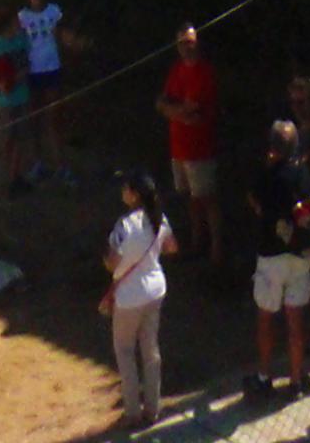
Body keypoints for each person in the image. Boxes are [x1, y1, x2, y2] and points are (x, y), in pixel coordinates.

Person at [246, 119, 310, 396]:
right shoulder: (302, 173)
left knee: (266, 318)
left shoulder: (266, 175)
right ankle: (296, 380)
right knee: (295, 321)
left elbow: (254, 202)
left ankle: (265, 377)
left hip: (271, 254)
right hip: (300, 255)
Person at [100, 172, 172, 428]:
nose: (123, 192)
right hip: (155, 290)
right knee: (150, 350)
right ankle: (153, 409)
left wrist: (106, 259)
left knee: (125, 351)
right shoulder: (158, 219)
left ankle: (132, 412)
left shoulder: (123, 226)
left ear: (134, 195)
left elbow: (112, 263)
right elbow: (171, 246)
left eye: (126, 188)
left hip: (129, 297)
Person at [156, 23, 221, 260]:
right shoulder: (176, 70)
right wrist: (175, 110)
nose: (186, 47)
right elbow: (163, 102)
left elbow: (191, 111)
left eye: (190, 42)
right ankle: (196, 243)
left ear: (197, 43)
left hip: (200, 149)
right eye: (182, 42)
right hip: (179, 148)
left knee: (208, 199)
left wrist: (171, 109)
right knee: (190, 199)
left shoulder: (204, 72)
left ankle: (216, 247)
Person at [18, 0, 71, 171]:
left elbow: (59, 39)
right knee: (35, 118)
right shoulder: (23, 17)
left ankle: (60, 164)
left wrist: (62, 63)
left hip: (52, 69)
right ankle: (39, 162)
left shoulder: (54, 12)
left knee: (54, 119)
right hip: (34, 72)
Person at [0, 2, 37, 189]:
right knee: (9, 138)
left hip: (21, 96)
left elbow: (28, 63)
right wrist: (0, 83)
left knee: (20, 138)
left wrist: (20, 75)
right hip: (6, 100)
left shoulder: (22, 40)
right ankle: (9, 174)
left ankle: (14, 176)